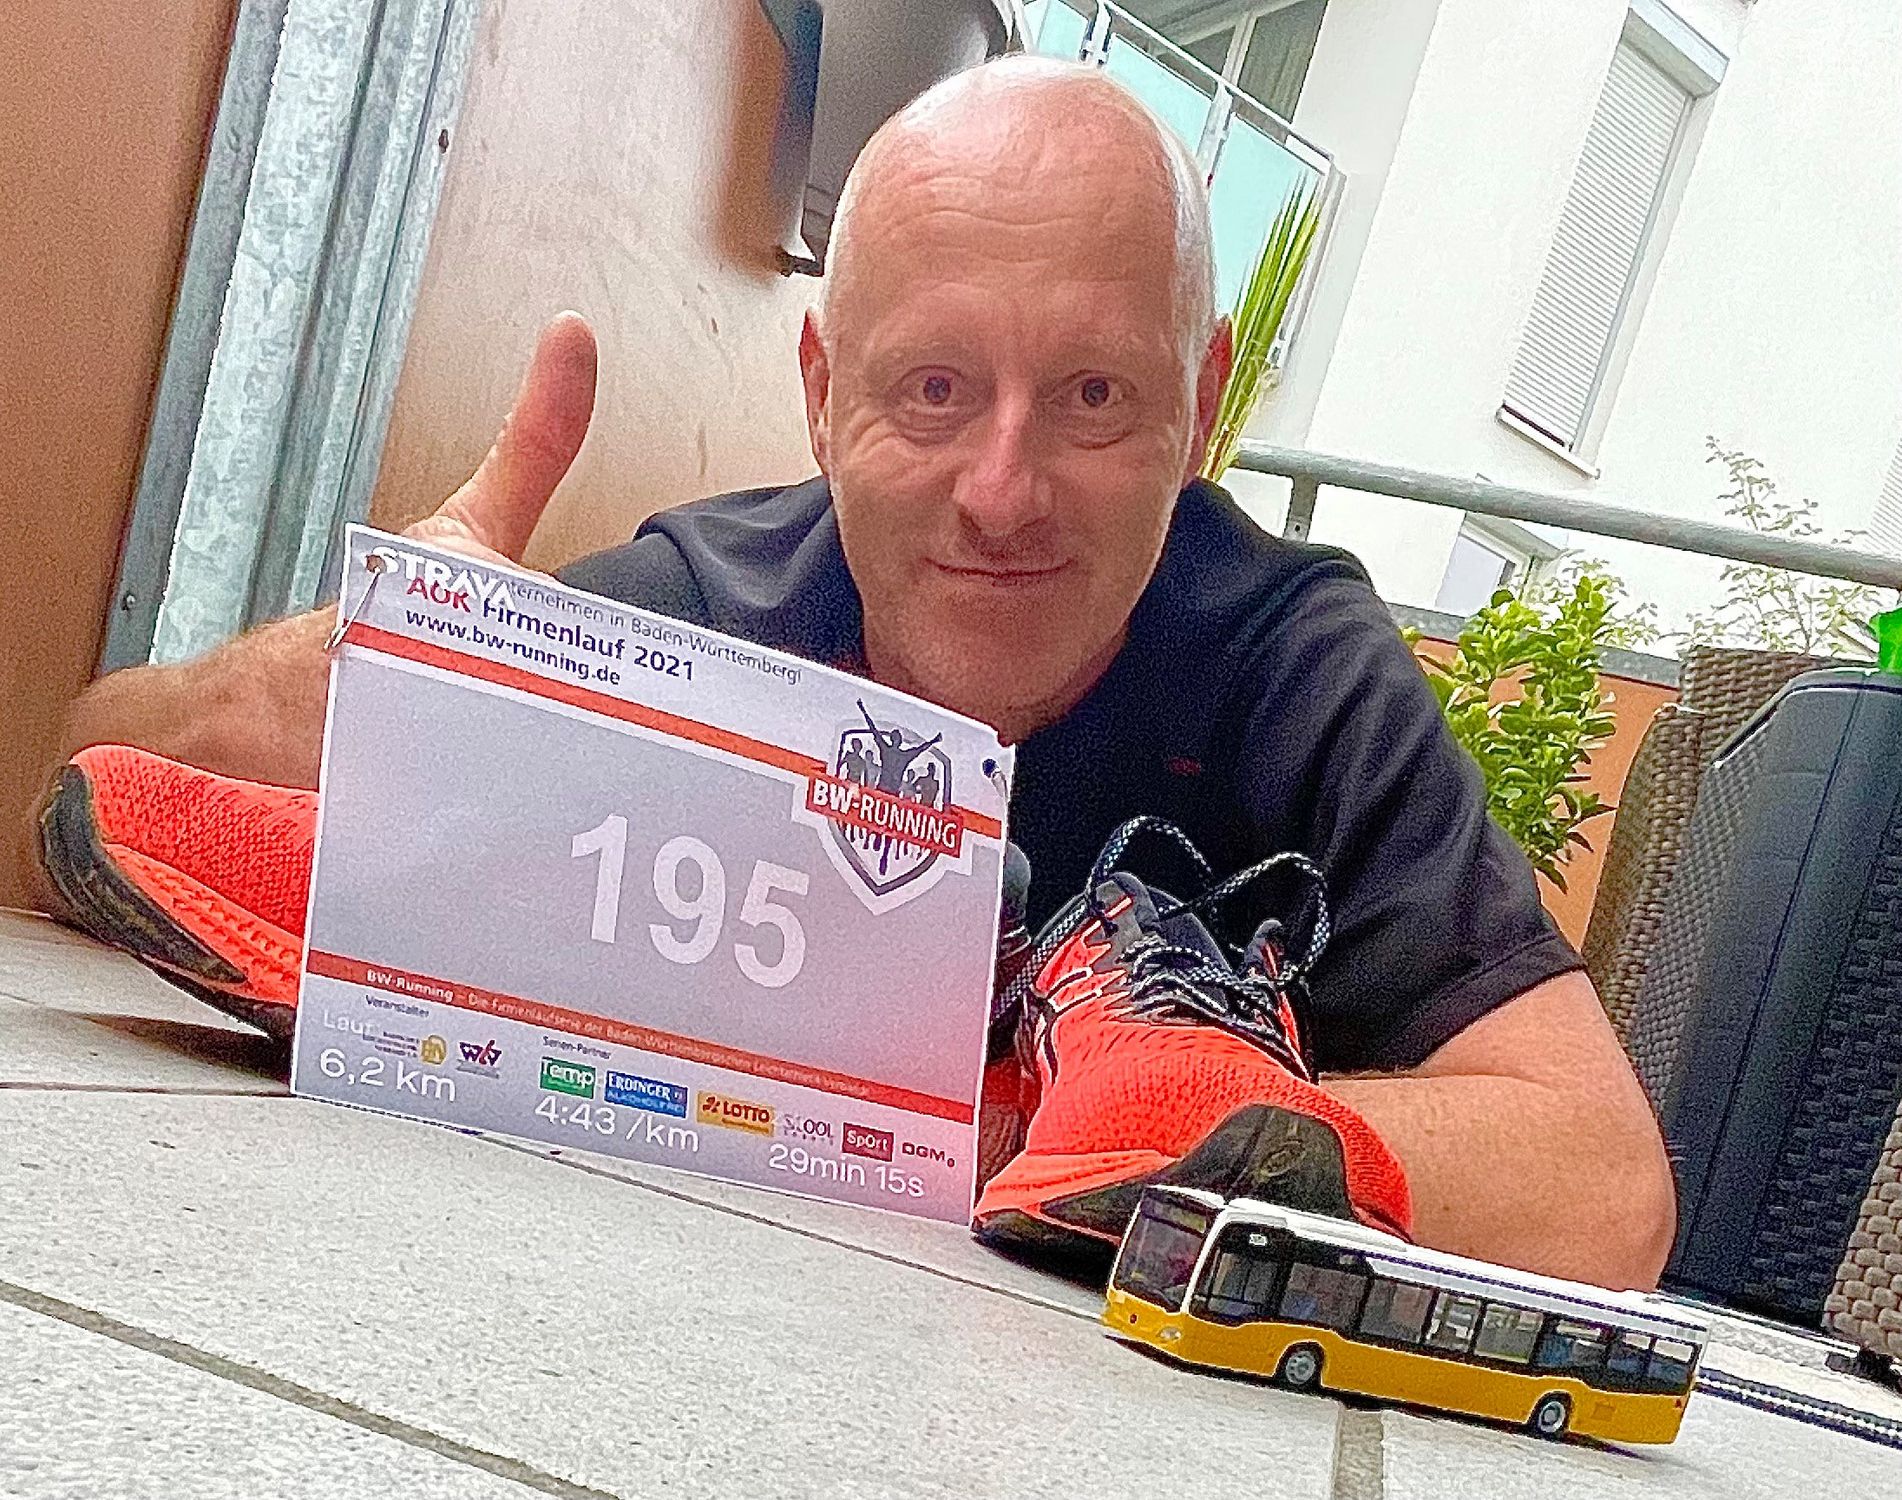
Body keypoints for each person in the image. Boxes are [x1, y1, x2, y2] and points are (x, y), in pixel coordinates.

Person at [42, 57, 1675, 1289]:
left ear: (1200, 399)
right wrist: (324, 681)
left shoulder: (1296, 667)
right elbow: (82, 809)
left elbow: (1601, 1187)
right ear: (822, 392)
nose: (1001, 491)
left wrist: (1168, 1120)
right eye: (934, 389)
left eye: (1093, 395)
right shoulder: (702, 612)